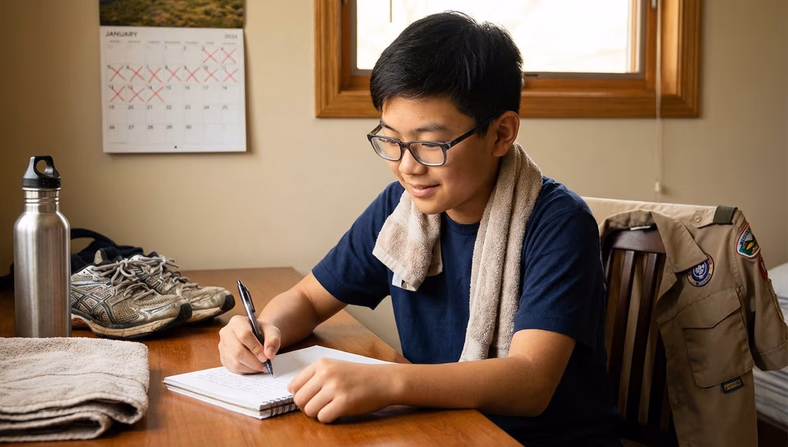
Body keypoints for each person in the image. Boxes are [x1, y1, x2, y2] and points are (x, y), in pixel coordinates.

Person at [219, 11, 620, 446]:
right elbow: (307, 299)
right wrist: (261, 330)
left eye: (429, 144)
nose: (407, 166)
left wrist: (387, 382)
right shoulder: (401, 211)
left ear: (501, 133)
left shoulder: (558, 223)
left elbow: (530, 383)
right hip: (443, 428)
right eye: (391, 140)